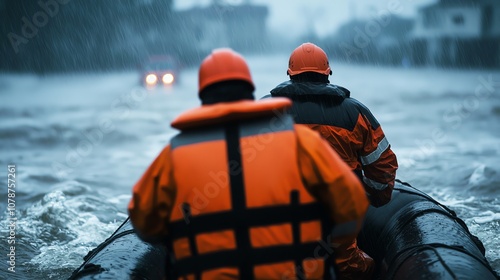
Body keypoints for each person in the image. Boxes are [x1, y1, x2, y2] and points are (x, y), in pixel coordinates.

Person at [128, 48, 370, 279]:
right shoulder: (301, 143)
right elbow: (352, 204)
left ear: (202, 95)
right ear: (249, 92)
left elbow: (144, 223)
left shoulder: (173, 156)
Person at [265, 42, 399, 279]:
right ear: (328, 73)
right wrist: (370, 198)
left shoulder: (263, 110)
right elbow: (383, 168)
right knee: (357, 267)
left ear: (290, 74)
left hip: (276, 222)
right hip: (340, 227)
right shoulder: (356, 112)